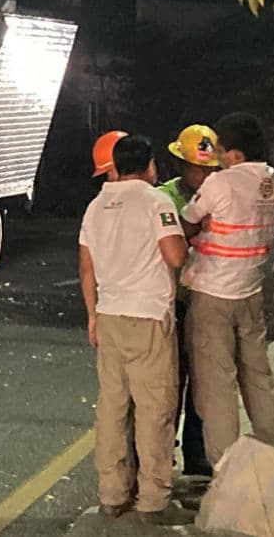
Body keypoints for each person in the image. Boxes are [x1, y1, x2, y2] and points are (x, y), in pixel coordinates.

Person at [79, 135, 194, 525]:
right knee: (154, 409)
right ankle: (153, 499)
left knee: (112, 408)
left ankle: (112, 494)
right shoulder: (156, 201)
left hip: (110, 317)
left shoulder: (95, 207)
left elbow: (86, 268)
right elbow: (175, 255)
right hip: (147, 318)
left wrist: (93, 316)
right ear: (149, 165)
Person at [180, 112, 274, 468]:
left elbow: (188, 221)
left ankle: (227, 475)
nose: (219, 159)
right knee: (259, 379)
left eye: (222, 151)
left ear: (236, 154)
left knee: (217, 387)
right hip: (250, 291)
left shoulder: (220, 184)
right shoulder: (273, 182)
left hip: (213, 294)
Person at [158, 125, 218, 477]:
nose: (204, 176)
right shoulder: (164, 197)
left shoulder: (220, 195)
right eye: (198, 168)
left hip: (208, 297)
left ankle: (196, 453)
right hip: (175, 300)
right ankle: (164, 450)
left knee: (203, 380)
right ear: (180, 164)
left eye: (209, 170)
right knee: (171, 381)